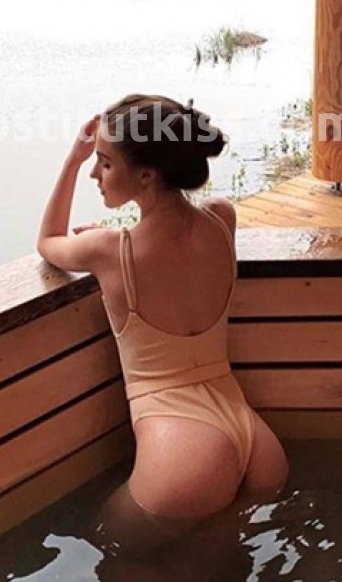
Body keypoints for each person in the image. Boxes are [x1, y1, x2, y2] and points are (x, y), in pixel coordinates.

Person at [37, 94, 288, 552]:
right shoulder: (222, 218)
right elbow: (172, 244)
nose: (95, 174)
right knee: (218, 564)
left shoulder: (109, 251)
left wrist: (72, 158)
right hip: (255, 441)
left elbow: (49, 239)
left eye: (104, 163)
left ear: (146, 175)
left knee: (115, 560)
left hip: (183, 452)